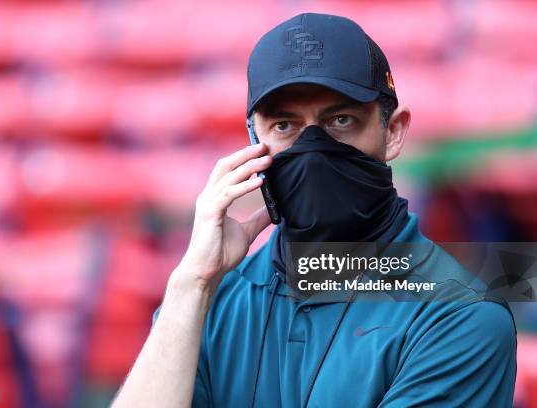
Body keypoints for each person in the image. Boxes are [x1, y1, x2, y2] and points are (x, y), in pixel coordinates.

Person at [113, 13, 516, 407]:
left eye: (340, 120)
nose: (313, 150)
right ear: (254, 141)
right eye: (285, 126)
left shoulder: (462, 317)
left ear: (392, 131)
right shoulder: (208, 302)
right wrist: (191, 284)